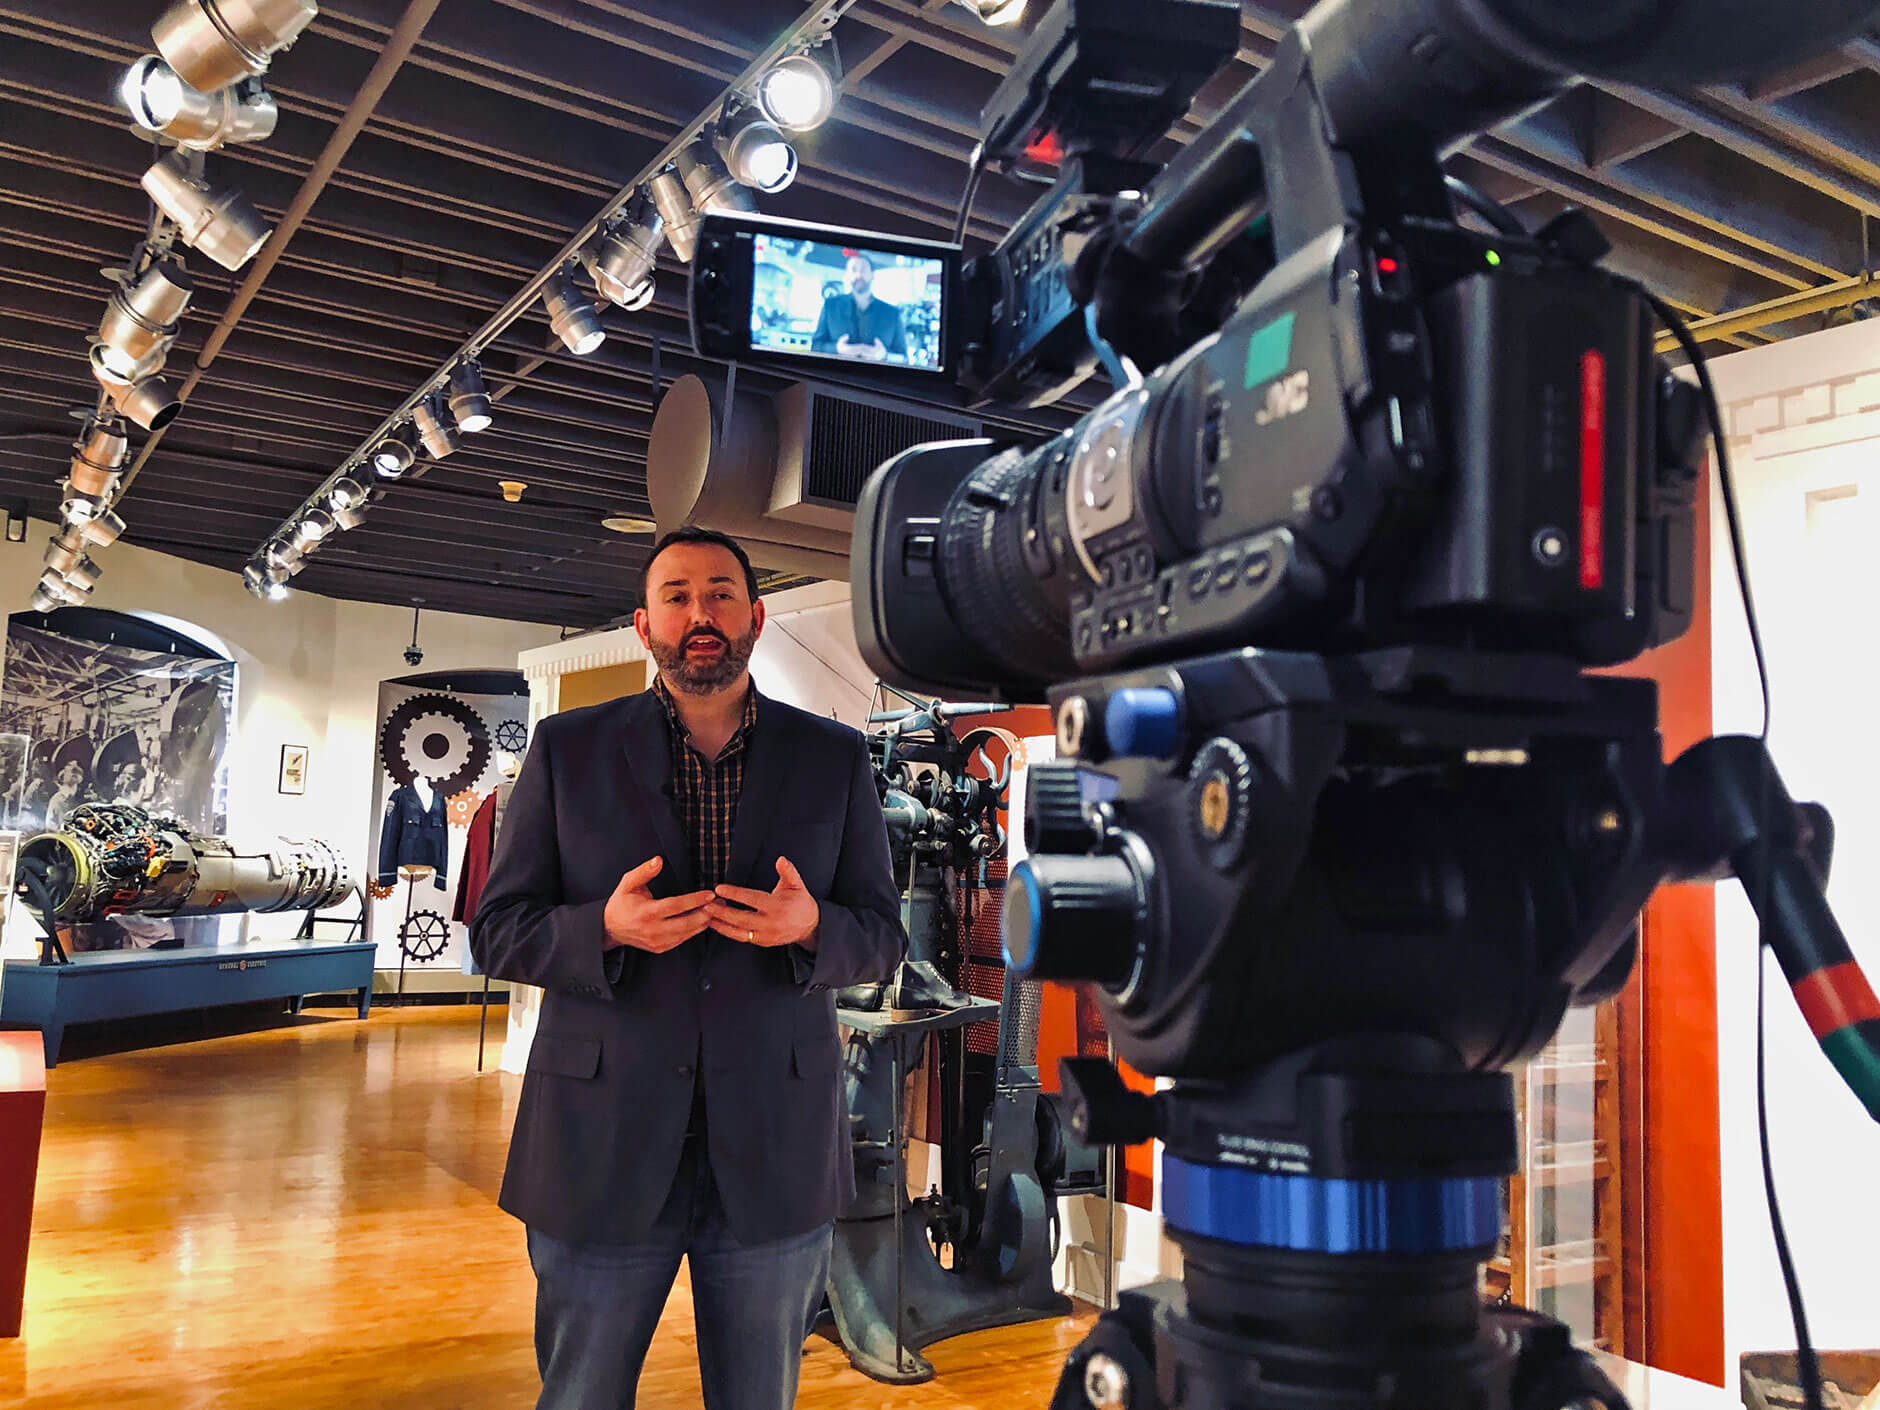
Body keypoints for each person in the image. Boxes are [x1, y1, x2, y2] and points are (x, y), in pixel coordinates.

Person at [470, 525, 905, 1410]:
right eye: (676, 596)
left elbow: (883, 937)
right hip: (601, 1141)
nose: (698, 613)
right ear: (643, 624)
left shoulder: (833, 757)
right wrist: (605, 928)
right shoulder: (566, 749)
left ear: (756, 615)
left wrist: (815, 925)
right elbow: (498, 931)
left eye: (719, 593)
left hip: (773, 1147)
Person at [809, 252, 907, 362]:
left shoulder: (892, 313)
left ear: (872, 274)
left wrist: (885, 355)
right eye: (854, 269)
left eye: (863, 269)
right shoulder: (830, 306)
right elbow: (815, 346)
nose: (859, 275)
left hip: (876, 377)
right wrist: (836, 349)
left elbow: (904, 358)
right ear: (847, 275)